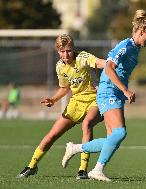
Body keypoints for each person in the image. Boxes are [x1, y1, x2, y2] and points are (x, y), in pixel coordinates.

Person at [61, 10, 146, 181]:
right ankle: (96, 170)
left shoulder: (134, 47)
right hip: (108, 92)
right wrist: (126, 90)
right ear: (141, 32)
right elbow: (108, 68)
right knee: (119, 133)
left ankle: (75, 148)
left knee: (114, 139)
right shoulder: (125, 46)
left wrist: (123, 91)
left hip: (115, 92)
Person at [17, 34, 106, 179]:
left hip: (95, 99)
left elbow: (98, 62)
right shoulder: (60, 67)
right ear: (58, 52)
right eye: (63, 51)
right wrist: (53, 99)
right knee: (52, 135)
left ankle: (82, 170)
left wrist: (110, 63)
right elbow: (65, 88)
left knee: (87, 124)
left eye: (69, 50)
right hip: (76, 102)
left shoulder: (82, 57)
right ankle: (31, 166)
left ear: (73, 48)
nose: (66, 54)